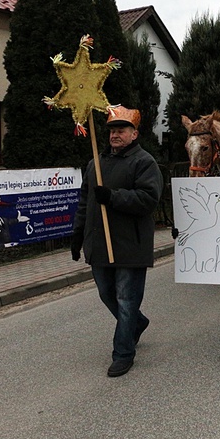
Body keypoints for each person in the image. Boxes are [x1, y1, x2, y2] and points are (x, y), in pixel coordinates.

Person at [71, 106, 163, 377]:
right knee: (107, 294)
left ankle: (123, 353)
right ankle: (137, 323)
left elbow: (148, 199)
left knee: (126, 298)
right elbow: (84, 203)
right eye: (112, 130)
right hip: (99, 243)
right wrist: (77, 235)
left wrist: (113, 197)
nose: (115, 135)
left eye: (121, 130)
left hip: (129, 244)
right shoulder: (95, 164)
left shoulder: (144, 162)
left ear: (134, 134)